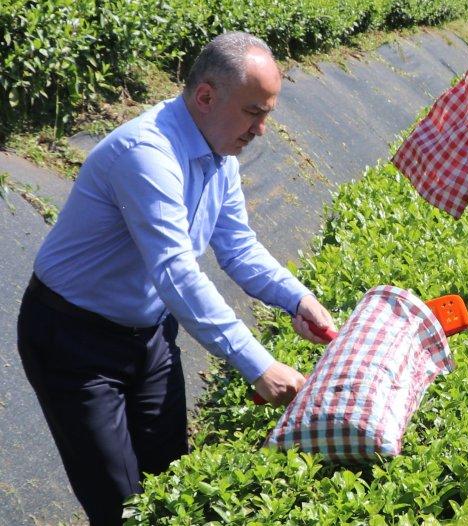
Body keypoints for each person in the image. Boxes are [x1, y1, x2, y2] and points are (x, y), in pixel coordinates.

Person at [17, 32, 335, 524]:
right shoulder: (146, 153)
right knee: (122, 507)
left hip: (148, 337)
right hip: (73, 342)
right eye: (254, 111)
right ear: (206, 97)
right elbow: (175, 271)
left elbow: (237, 244)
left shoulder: (219, 152)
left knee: (170, 486)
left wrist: (298, 301)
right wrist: (257, 364)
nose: (263, 129)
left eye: (268, 113)